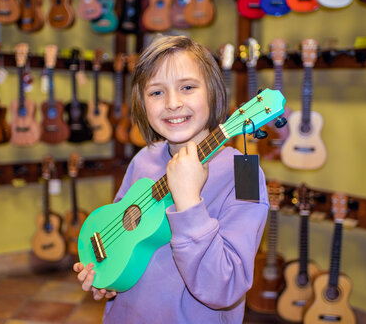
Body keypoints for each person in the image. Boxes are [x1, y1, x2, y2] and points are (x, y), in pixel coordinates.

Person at [73, 35, 269, 323]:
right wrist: (110, 277)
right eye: (156, 93)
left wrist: (189, 201)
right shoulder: (144, 159)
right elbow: (119, 236)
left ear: (213, 91)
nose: (173, 103)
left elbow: (226, 287)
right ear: (141, 102)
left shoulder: (244, 175)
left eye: (187, 87)